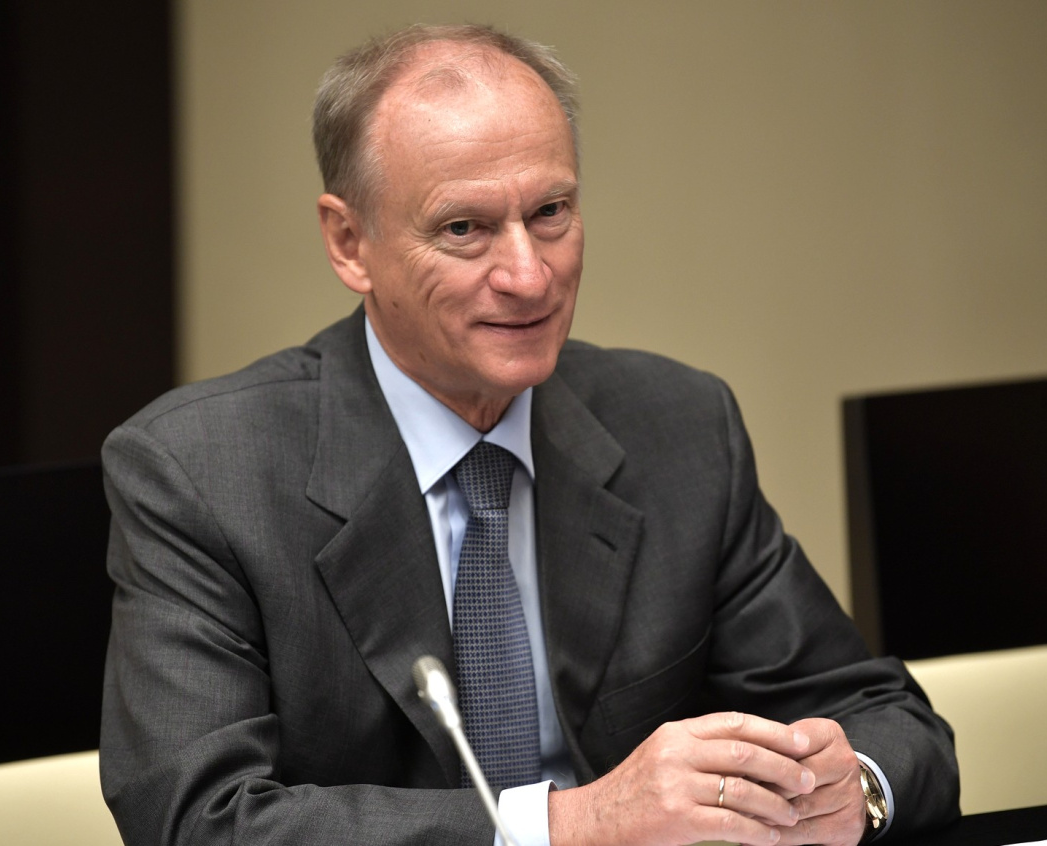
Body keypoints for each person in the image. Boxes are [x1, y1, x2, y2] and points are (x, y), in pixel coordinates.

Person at [99, 23, 958, 846]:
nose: (529, 275)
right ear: (350, 241)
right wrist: (572, 826)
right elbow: (197, 819)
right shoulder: (202, 474)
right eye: (463, 228)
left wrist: (851, 793)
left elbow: (885, 722)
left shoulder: (679, 428)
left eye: (550, 211)